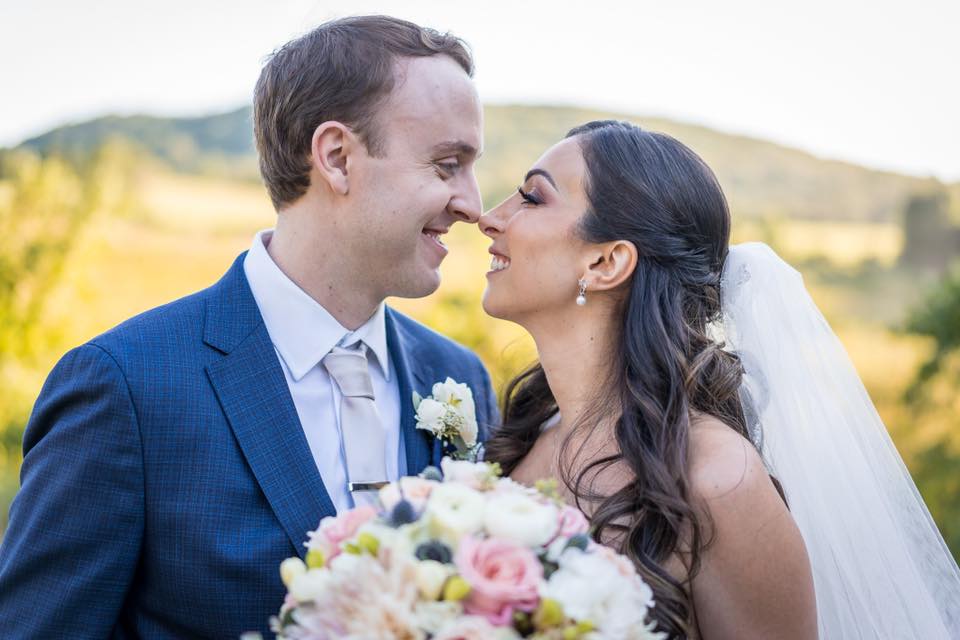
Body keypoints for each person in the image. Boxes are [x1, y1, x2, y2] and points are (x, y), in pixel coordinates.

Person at [0, 15, 497, 638]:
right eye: (447, 165)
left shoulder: (459, 378)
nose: (473, 205)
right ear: (338, 158)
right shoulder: (126, 388)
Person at [480, 120, 960, 638]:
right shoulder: (528, 437)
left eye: (531, 198)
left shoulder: (715, 479)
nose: (489, 218)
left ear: (606, 261)